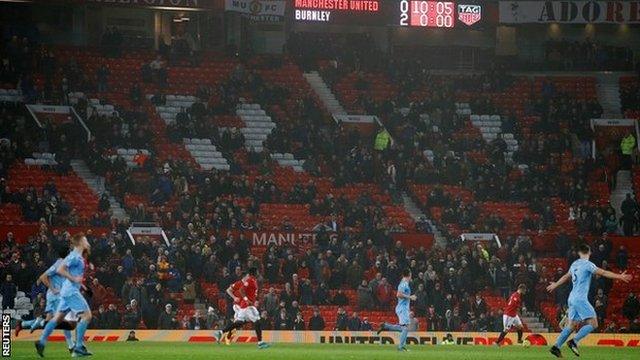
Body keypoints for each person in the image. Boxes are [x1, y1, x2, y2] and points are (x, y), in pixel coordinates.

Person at [547, 244, 632, 358]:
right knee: (593, 323)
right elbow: (603, 272)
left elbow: (566, 276)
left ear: (579, 253)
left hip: (571, 298)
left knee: (571, 325)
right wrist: (619, 276)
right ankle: (574, 341)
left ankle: (556, 347)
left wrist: (555, 284)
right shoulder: (588, 265)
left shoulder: (574, 264)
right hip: (580, 299)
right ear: (589, 252)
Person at [35, 233, 93, 357]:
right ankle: (78, 347)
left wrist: (82, 285)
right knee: (87, 316)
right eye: (86, 240)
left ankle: (42, 341)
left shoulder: (74, 256)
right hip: (71, 291)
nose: (87, 242)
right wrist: (74, 279)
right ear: (80, 243)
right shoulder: (75, 257)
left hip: (66, 291)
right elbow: (60, 270)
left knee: (57, 319)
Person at [17, 247, 75, 352]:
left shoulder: (65, 264)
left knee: (53, 321)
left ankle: (24, 324)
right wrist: (53, 289)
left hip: (57, 296)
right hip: (56, 296)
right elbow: (43, 276)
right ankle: (71, 346)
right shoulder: (58, 264)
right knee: (65, 321)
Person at [216, 267, 269, 349]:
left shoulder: (253, 280)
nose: (258, 273)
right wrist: (245, 299)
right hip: (245, 305)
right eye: (257, 271)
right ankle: (260, 343)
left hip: (244, 306)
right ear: (253, 273)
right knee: (257, 321)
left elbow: (250, 292)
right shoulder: (249, 280)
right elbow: (241, 290)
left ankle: (221, 332)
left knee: (239, 323)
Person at [376, 269, 416, 351]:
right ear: (409, 275)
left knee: (403, 328)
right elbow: (398, 294)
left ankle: (386, 326)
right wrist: (410, 297)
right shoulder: (404, 283)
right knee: (405, 328)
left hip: (404, 308)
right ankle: (400, 347)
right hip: (402, 308)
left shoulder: (404, 283)